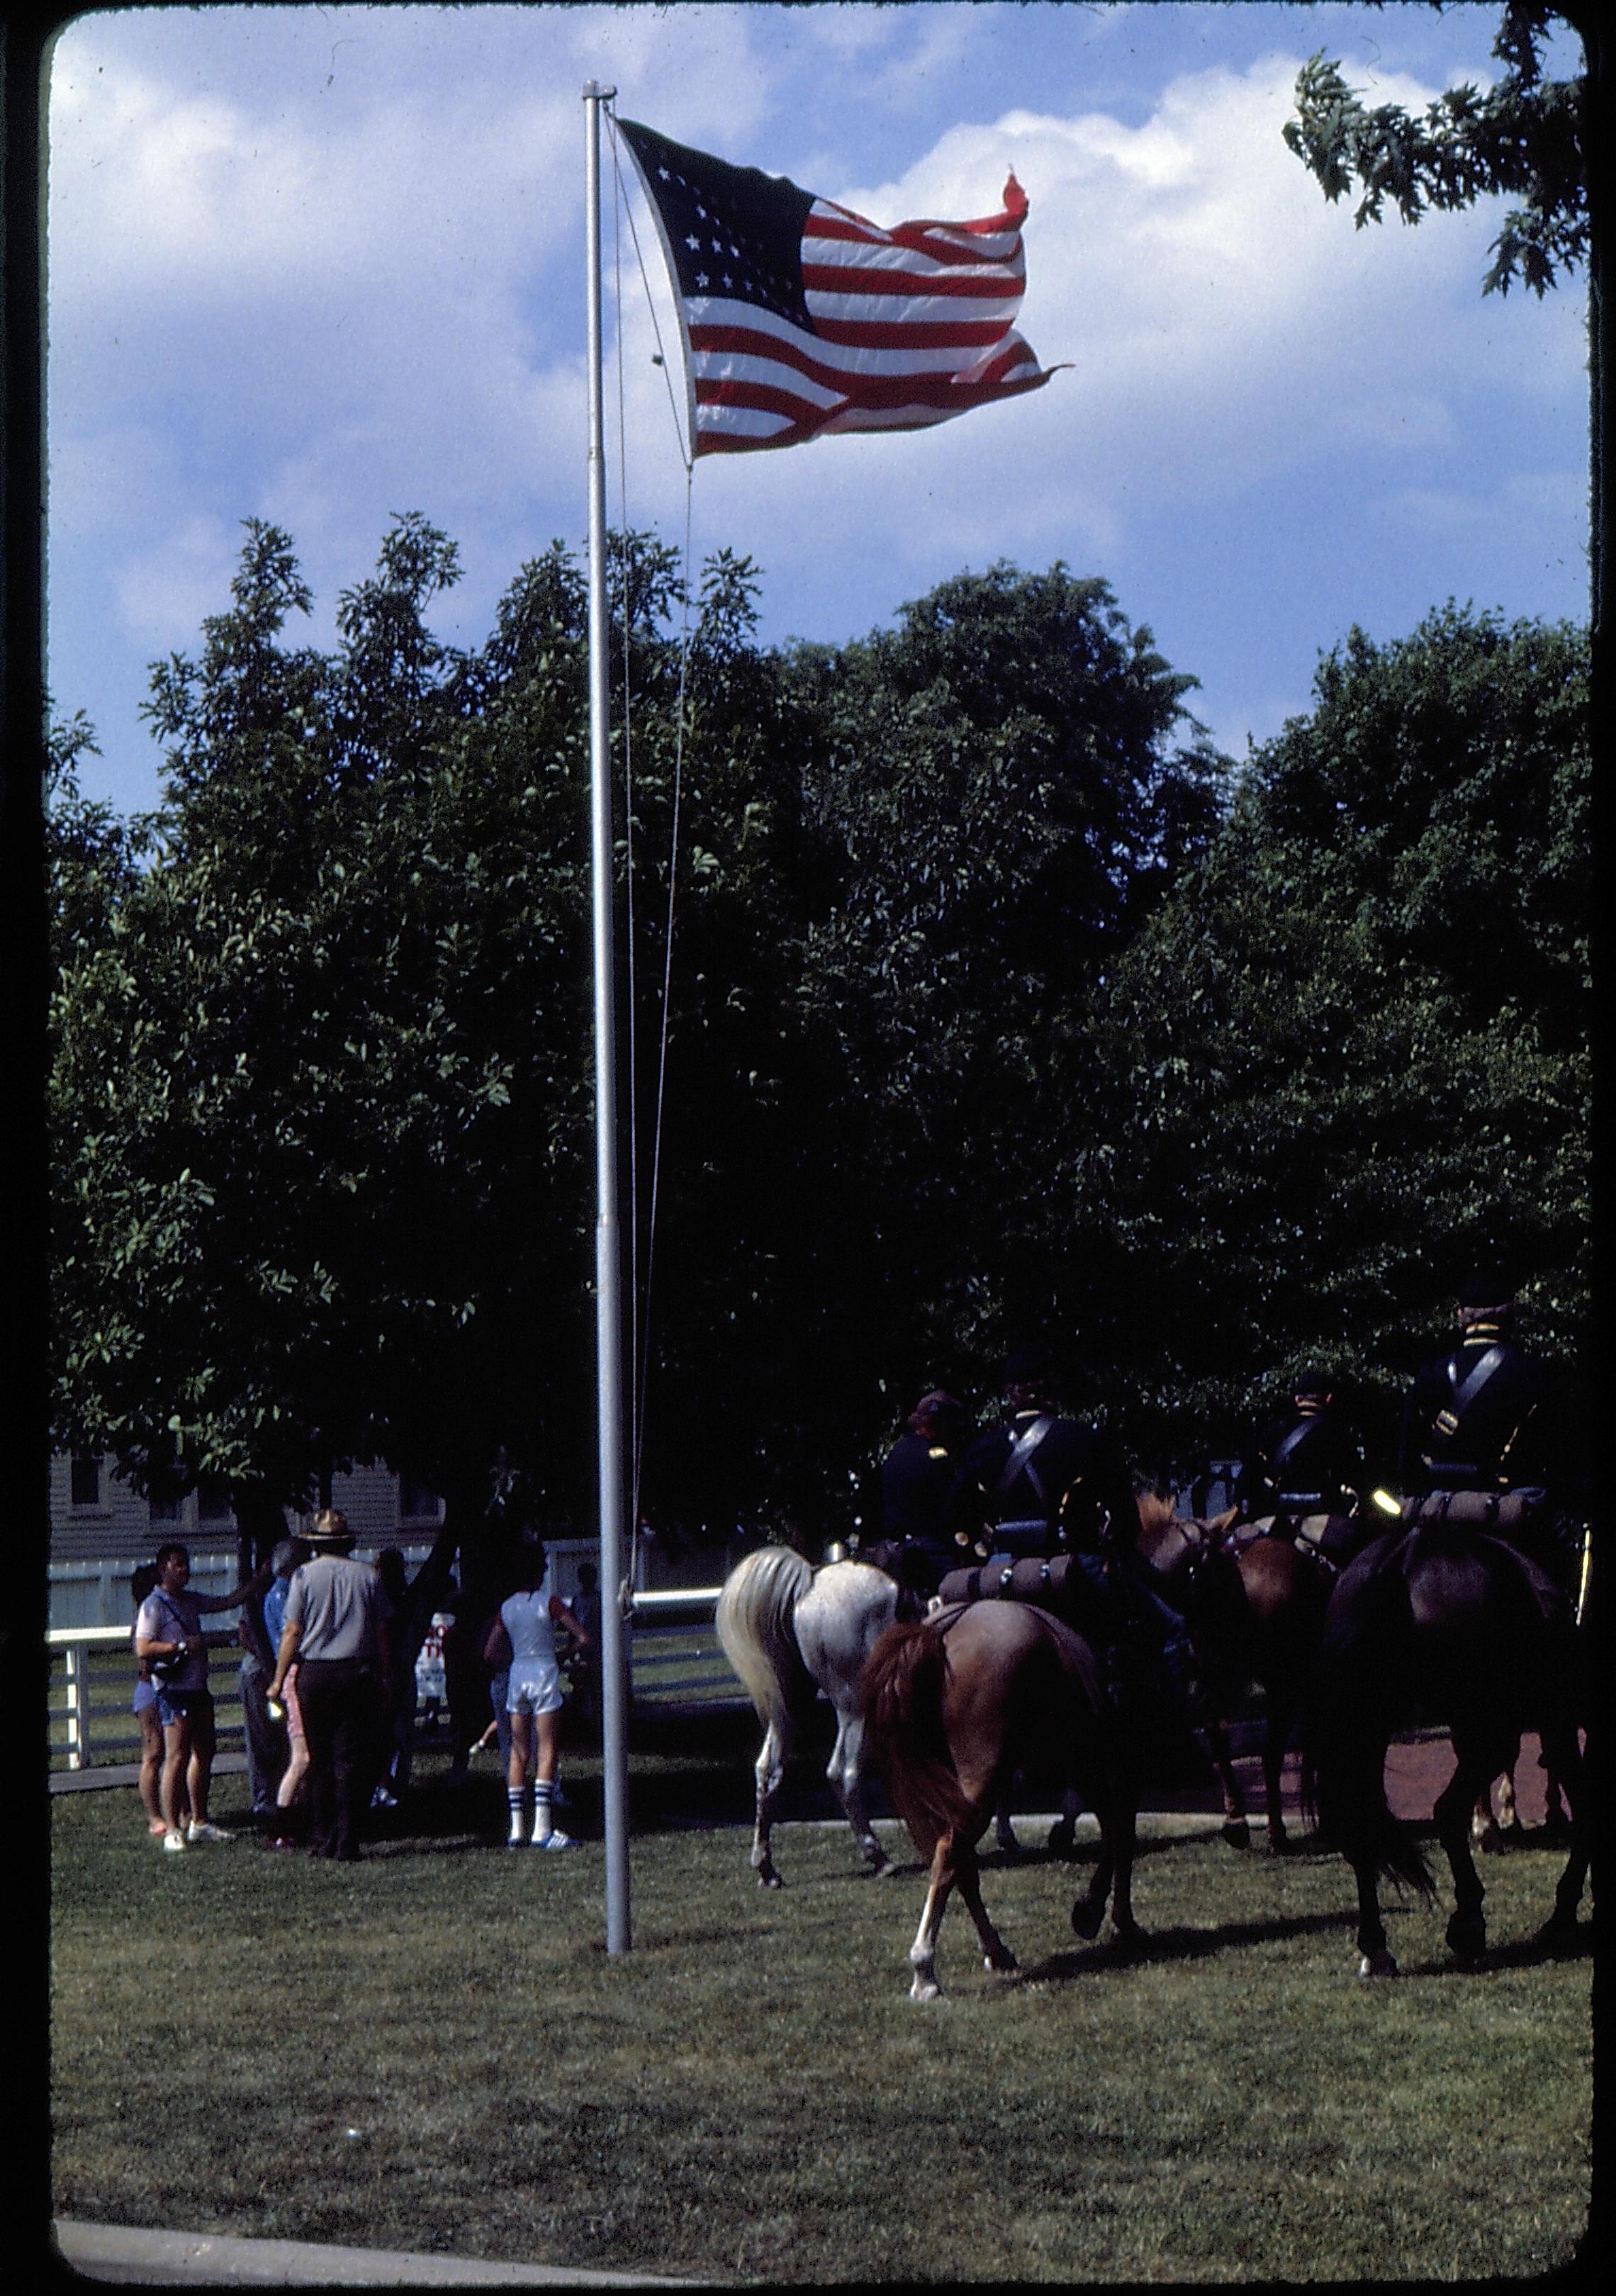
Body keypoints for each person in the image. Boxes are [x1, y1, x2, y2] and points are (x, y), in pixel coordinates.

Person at [946, 1346, 1201, 1711]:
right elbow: (1124, 1513)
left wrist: (981, 1552)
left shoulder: (982, 1448)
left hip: (1001, 1570)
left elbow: (956, 1516)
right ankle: (1171, 1728)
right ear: (1049, 1389)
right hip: (1076, 1568)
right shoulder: (1081, 1438)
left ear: (1009, 1394)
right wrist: (1118, 1551)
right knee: (1173, 1628)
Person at [1398, 1268, 1583, 1589]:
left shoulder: (1430, 1373)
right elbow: (1560, 1455)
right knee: (1560, 1577)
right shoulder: (1535, 1373)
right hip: (1508, 1505)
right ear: (1510, 1313)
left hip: (1437, 1505)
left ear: (1460, 1316)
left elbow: (1406, 1456)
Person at [266, 1509, 393, 1862]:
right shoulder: (368, 1576)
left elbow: (292, 1631)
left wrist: (278, 1680)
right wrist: (386, 1674)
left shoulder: (304, 1577)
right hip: (356, 1671)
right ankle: (347, 1839)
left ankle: (322, 1838)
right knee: (349, 1759)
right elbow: (382, 1630)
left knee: (319, 1760)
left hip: (316, 1674)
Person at [135, 1541, 273, 1852]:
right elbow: (142, 1648)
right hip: (174, 1691)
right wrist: (181, 1647)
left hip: (198, 1689)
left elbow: (228, 1601)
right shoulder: (153, 1606)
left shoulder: (191, 1600)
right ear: (163, 1569)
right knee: (177, 1757)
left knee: (204, 1753)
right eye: (177, 1564)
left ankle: (199, 1821)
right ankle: (172, 1828)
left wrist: (258, 1580)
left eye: (186, 1563)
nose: (185, 1570)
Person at [481, 1534, 590, 1850]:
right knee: (547, 1749)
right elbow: (583, 1638)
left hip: (518, 1675)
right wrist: (562, 1655)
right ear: (539, 1571)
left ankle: (516, 1829)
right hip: (544, 1672)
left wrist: (512, 1659)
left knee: (518, 1752)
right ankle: (542, 1828)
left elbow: (490, 1653)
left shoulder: (506, 1608)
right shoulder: (550, 1603)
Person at [1238, 1370, 1369, 1566]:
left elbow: (1247, 1483)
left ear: (1297, 1399)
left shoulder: (1271, 1433)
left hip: (1274, 1522)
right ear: (1328, 1398)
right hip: (1323, 1523)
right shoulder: (1339, 1434)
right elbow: (1357, 1482)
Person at [874, 1390, 965, 1599]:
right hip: (931, 1553)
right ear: (940, 1423)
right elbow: (952, 1507)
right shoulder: (937, 1458)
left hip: (896, 1551)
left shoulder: (897, 1452)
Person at [130, 1563, 189, 1842]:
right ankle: (156, 1817)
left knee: (177, 1754)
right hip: (150, 1690)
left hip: (168, 1688)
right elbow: (146, 1659)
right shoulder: (147, 1615)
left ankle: (182, 1812)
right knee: (154, 1754)